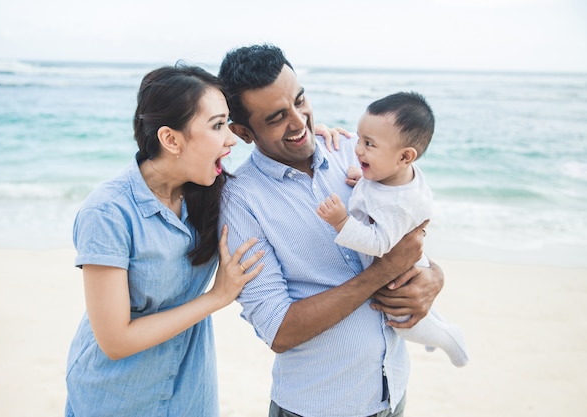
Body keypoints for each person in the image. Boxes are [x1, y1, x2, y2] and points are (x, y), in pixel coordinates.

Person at [218, 44, 444, 417]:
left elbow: (403, 227)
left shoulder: (353, 151)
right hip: (317, 406)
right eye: (277, 117)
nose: (299, 121)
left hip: (392, 391)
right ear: (243, 132)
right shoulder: (239, 204)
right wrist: (382, 273)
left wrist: (434, 277)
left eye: (300, 100)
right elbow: (278, 330)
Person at [65, 64, 265, 417]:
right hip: (115, 401)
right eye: (217, 125)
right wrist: (216, 297)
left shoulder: (214, 194)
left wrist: (321, 143)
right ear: (171, 139)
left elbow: (283, 184)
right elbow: (115, 340)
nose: (230, 139)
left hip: (191, 397)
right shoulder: (108, 212)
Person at [317, 92, 469, 368]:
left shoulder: (398, 205)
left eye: (369, 144)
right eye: (360, 139)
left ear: (405, 157)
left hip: (399, 273)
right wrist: (363, 178)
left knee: (403, 320)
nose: (358, 149)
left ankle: (448, 338)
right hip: (408, 260)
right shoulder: (393, 173)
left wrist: (341, 221)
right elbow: (379, 186)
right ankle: (436, 327)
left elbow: (378, 243)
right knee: (423, 312)